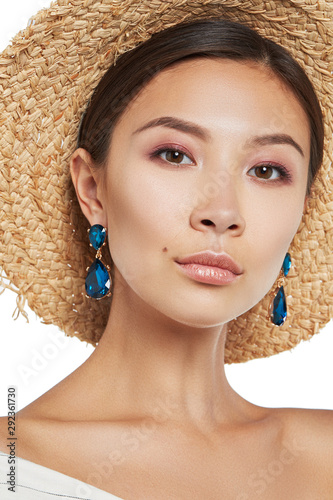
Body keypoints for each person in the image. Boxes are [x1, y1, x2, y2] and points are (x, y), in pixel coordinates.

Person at [0, 0, 333, 498]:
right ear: (93, 189)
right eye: (174, 155)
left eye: (267, 170)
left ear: (301, 212)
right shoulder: (14, 465)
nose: (221, 211)